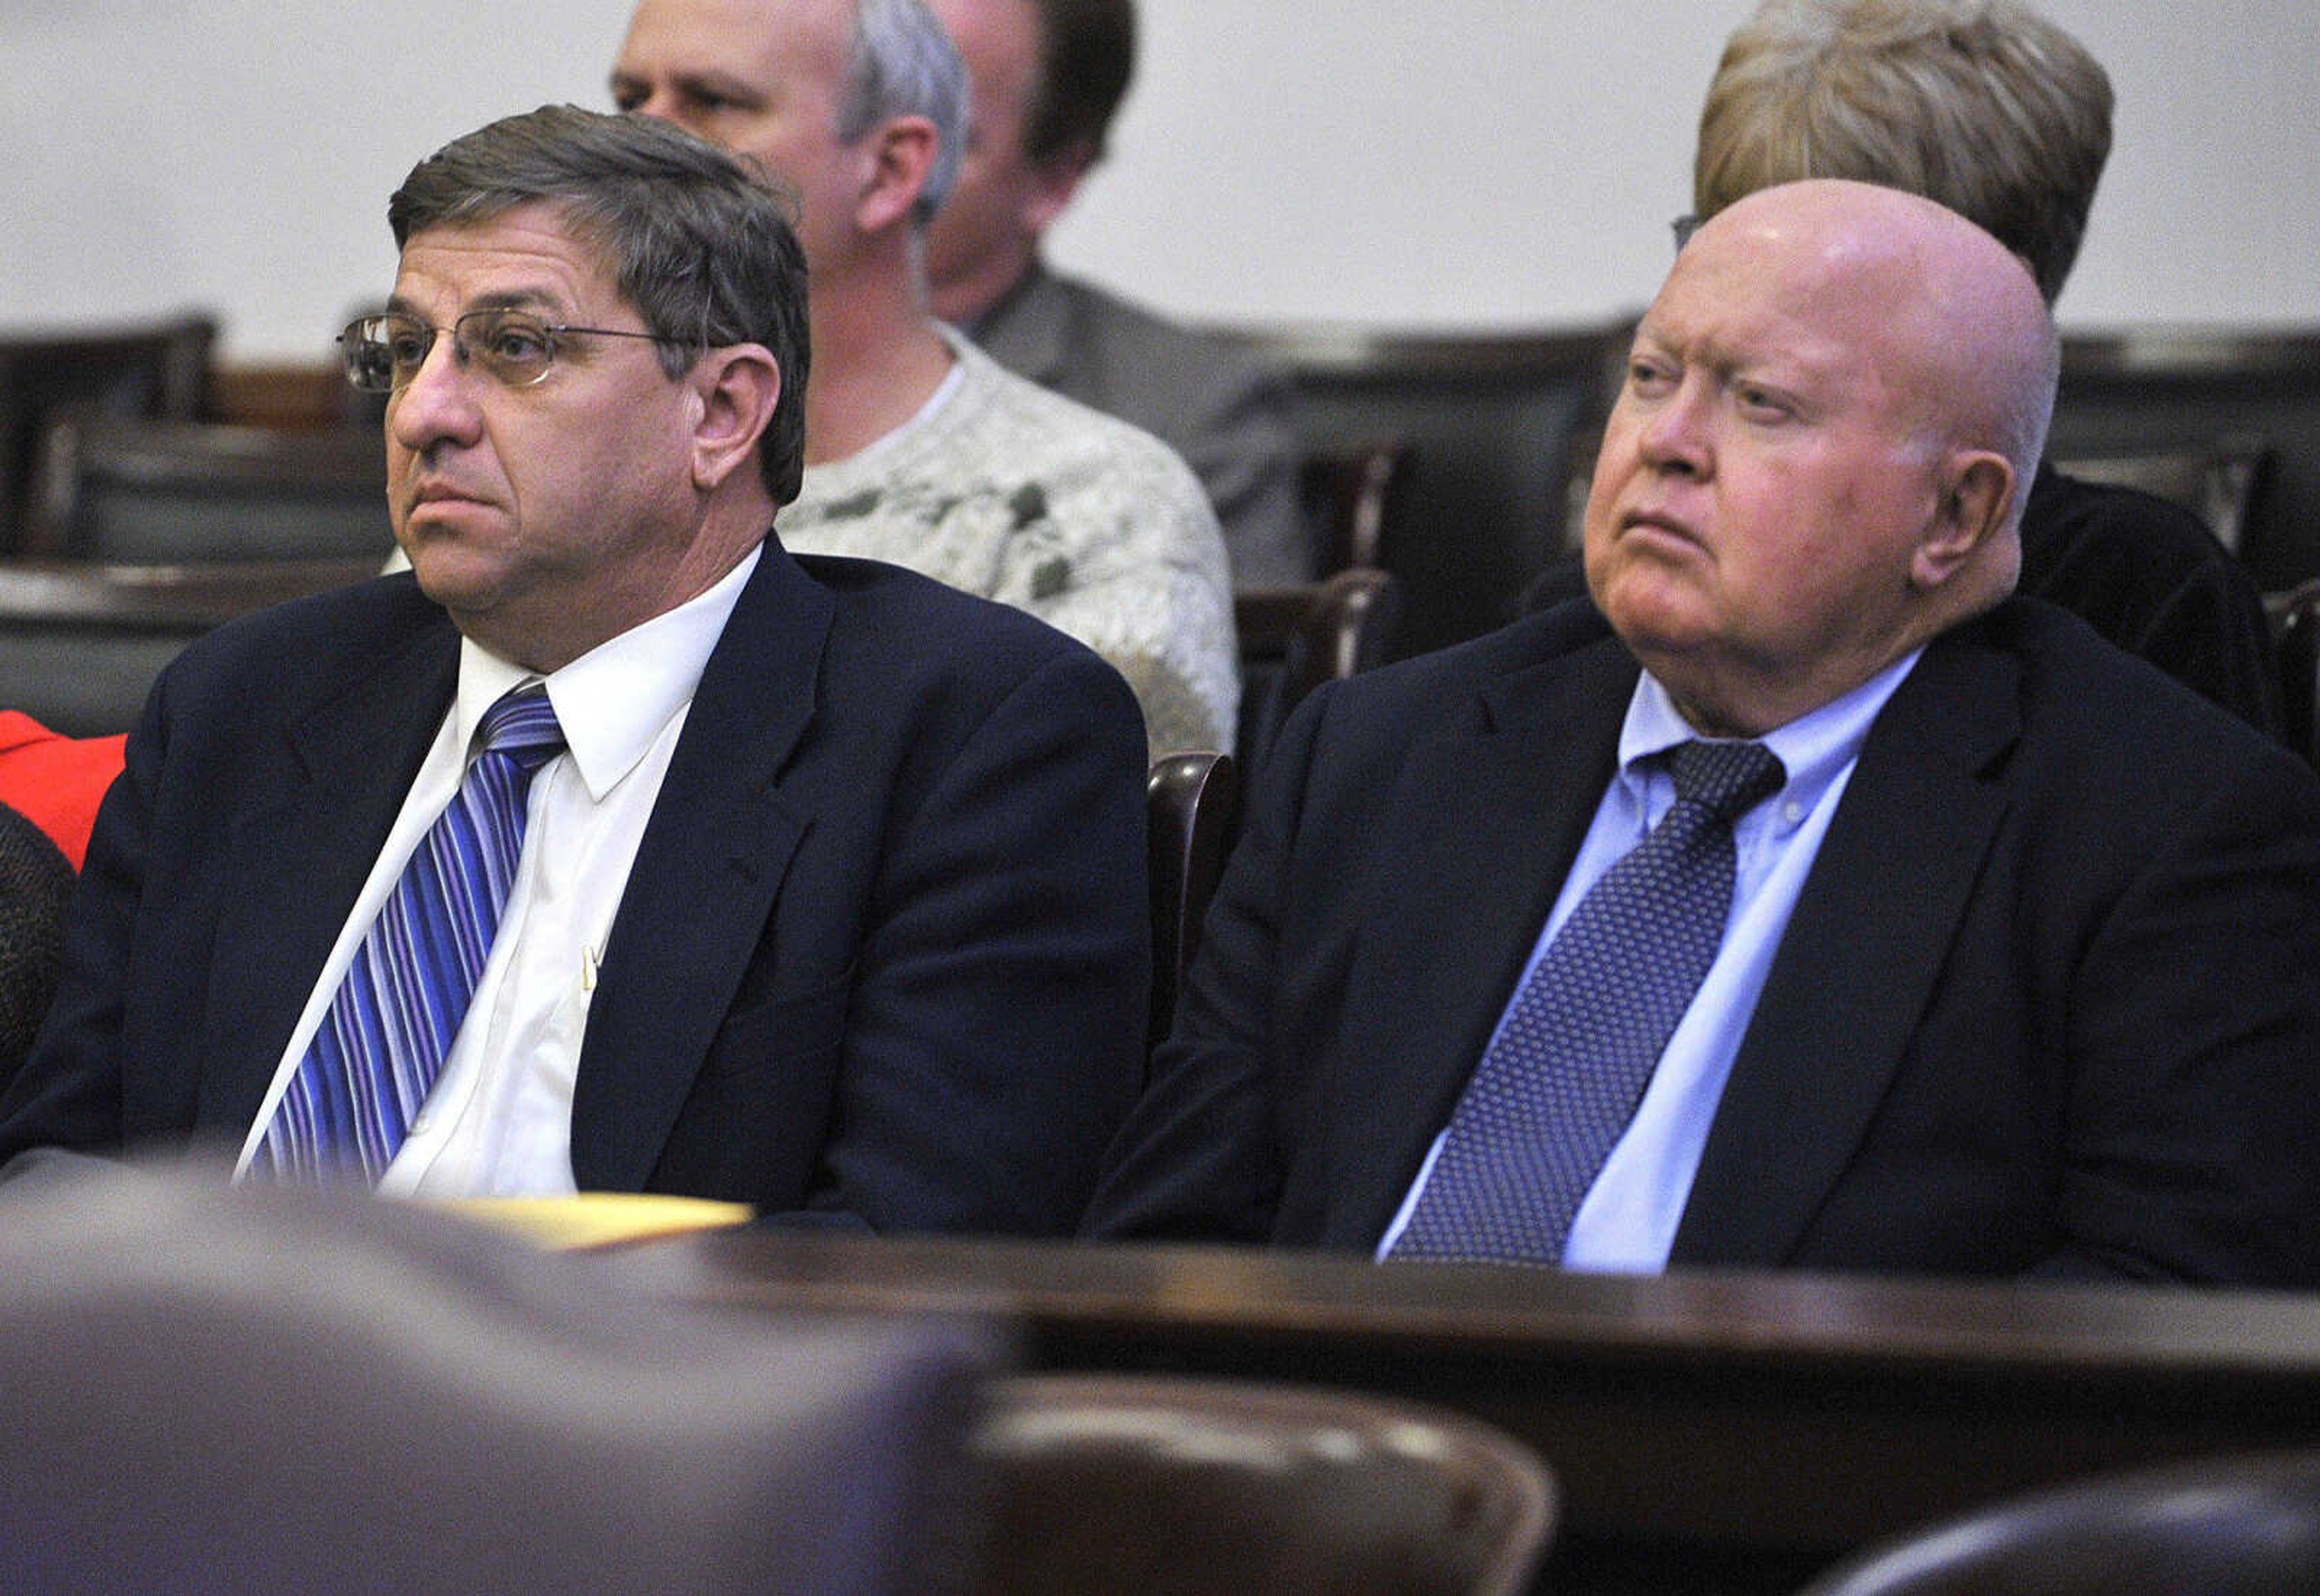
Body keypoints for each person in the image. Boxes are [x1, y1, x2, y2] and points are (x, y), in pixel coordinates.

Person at [1083, 180, 2320, 1285]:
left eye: (1762, 403)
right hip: (1331, 1487)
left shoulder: (2162, 829)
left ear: (1955, 513)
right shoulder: (1377, 755)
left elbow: (2160, 1317)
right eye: (1652, 376)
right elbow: (1169, 1241)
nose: (1666, 444)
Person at [0, 105, 1152, 1234]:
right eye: (406, 352)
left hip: (624, 1402)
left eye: (516, 349)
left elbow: (917, 1254)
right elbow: (63, 1166)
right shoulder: (244, 703)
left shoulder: (972, 736)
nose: (423, 415)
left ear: (721, 410)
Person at [611, 0, 1237, 755]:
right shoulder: (554, 452)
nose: (634, 146)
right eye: (629, 100)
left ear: (890, 168)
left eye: (713, 102)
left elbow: (1080, 853)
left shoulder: (1091, 507)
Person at [1689, 0, 2282, 736]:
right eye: (1716, 248)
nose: (1723, 312)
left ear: (1998, 304)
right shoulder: (1602, 601)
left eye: (1806, 279)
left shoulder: (2140, 596)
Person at [923, 0, 1309, 587]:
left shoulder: (1186, 413)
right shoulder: (749, 350)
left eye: (930, 135)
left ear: (1053, 180)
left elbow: (1229, 673)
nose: (869, 161)